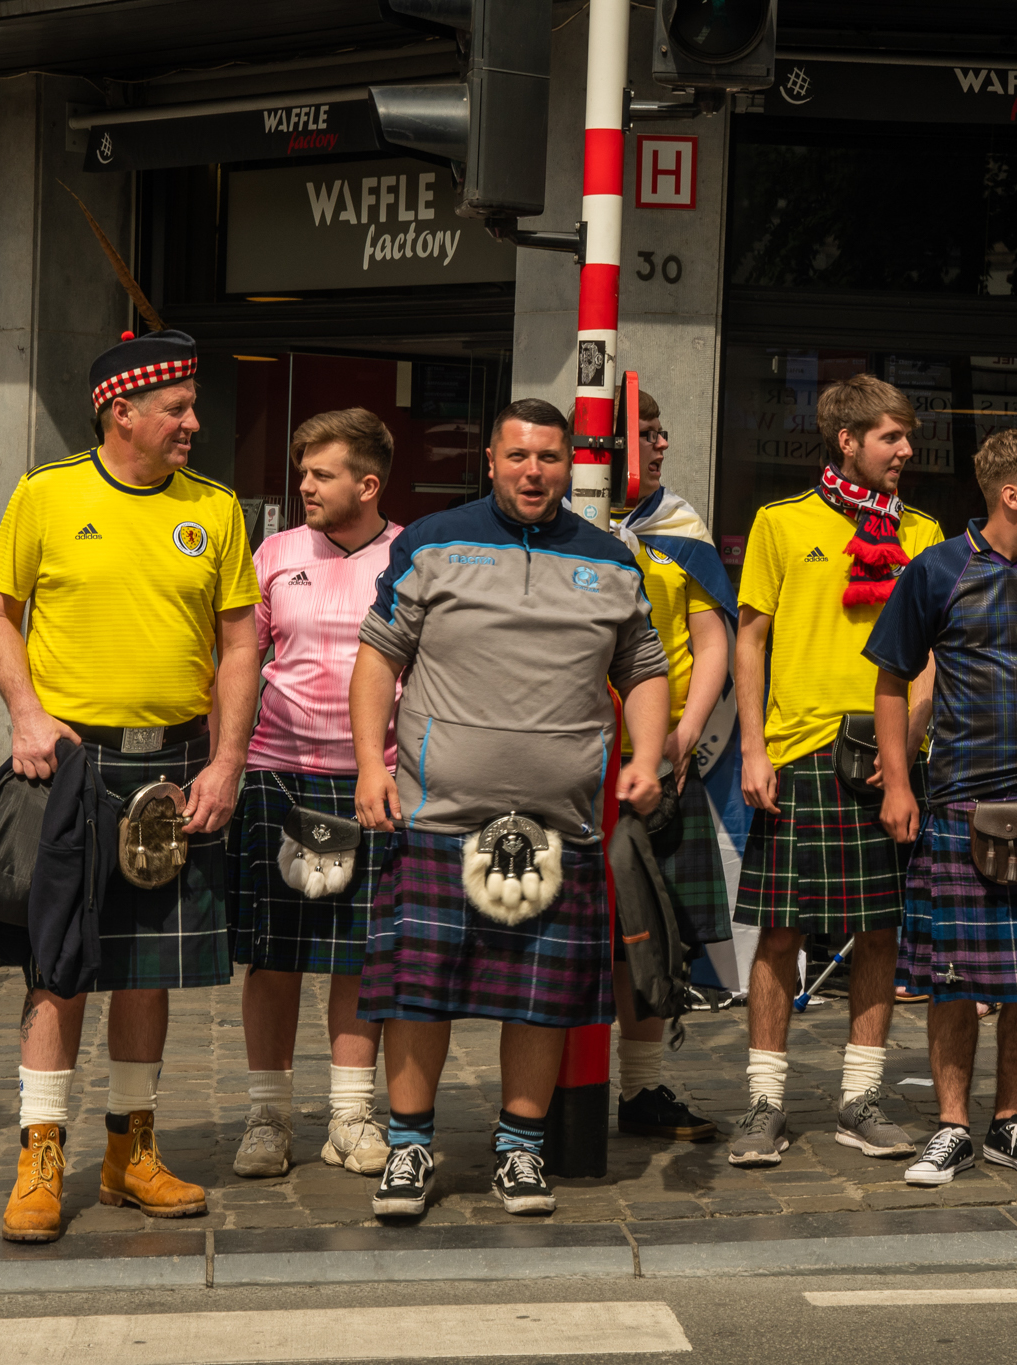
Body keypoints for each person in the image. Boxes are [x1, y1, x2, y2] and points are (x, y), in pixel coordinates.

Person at [352, 397, 669, 1219]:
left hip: (557, 824)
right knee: (417, 991)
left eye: (551, 458)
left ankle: (520, 1153)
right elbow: (378, 658)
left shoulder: (612, 558)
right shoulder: (431, 541)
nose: (535, 471)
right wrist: (368, 765)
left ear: (571, 465)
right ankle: (412, 1145)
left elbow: (645, 668)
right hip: (434, 813)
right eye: (519, 456)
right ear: (490, 459)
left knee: (542, 993)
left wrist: (646, 754)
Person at [0, 328, 260, 1244]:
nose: (193, 421)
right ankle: (39, 1157)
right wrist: (24, 714)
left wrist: (224, 761)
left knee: (149, 971)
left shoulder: (215, 508)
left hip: (175, 765)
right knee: (59, 967)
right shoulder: (47, 493)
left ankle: (130, 1151)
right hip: (74, 763)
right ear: (122, 411)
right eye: (176, 406)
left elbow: (241, 642)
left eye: (191, 405)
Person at [864, 426, 1017, 1188]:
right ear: (1012, 494)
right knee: (954, 973)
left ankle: (1011, 1123)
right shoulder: (938, 570)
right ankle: (951, 1127)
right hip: (960, 796)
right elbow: (891, 680)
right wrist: (901, 784)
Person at [726, 374, 941, 1170]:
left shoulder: (923, 531)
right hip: (800, 749)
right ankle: (764, 1102)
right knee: (780, 930)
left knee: (879, 930)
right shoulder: (781, 524)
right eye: (892, 436)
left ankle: (860, 1097)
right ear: (847, 440)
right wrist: (753, 748)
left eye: (907, 436)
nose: (908, 450)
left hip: (885, 757)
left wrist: (904, 760)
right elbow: (750, 639)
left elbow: (930, 656)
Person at [231, 408, 402, 1180]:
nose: (303, 484)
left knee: (360, 955)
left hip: (376, 777)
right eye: (303, 470)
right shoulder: (273, 551)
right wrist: (225, 762)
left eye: (321, 473)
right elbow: (238, 660)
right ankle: (267, 1114)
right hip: (279, 773)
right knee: (276, 953)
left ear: (368, 484)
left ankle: (349, 1112)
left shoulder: (410, 555)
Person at [607, 389, 737, 1142]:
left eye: (662, 431)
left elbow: (711, 639)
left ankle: (643, 1090)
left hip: (657, 758)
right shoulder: (572, 524)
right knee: (578, 934)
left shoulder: (679, 524)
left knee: (648, 932)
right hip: (574, 755)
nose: (661, 444)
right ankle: (560, 1091)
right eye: (646, 432)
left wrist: (682, 735)